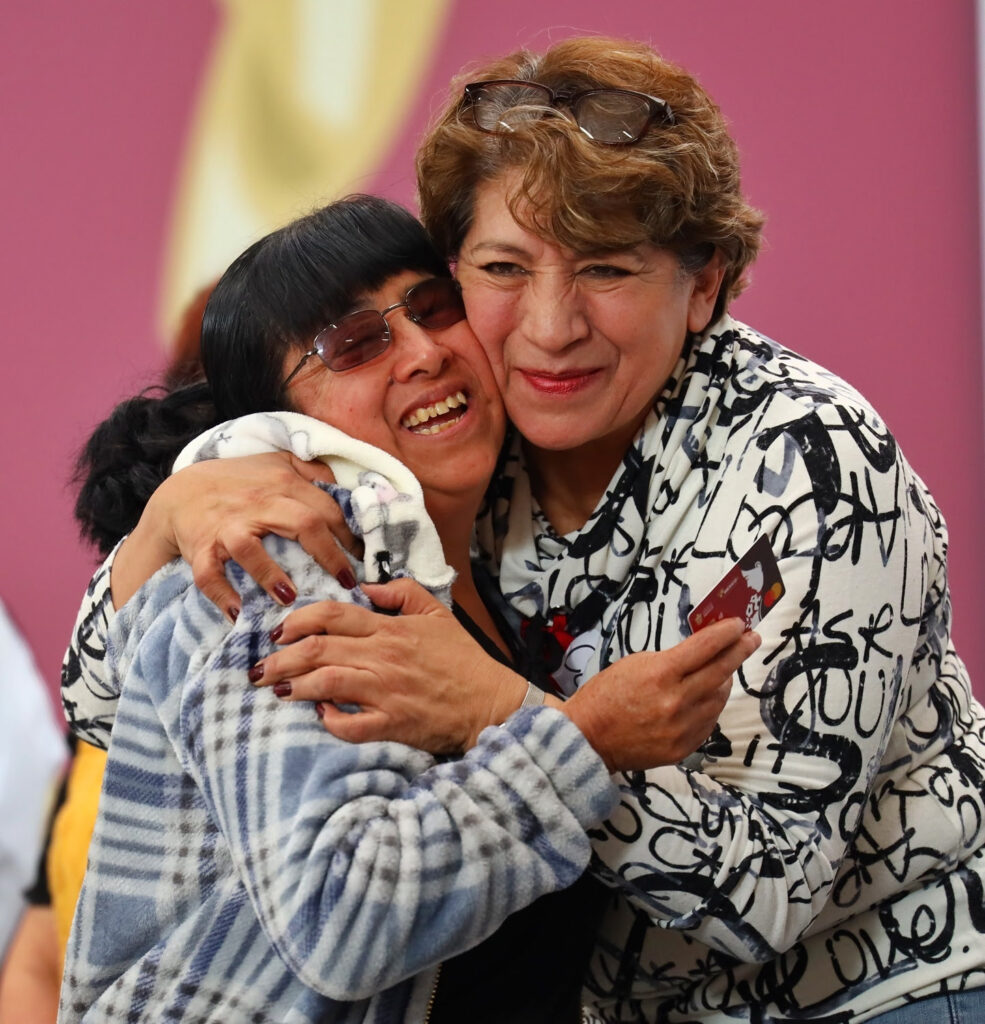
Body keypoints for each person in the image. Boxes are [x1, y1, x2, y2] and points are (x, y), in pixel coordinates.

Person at [63, 36, 985, 1022]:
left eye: (606, 269)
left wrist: (500, 710)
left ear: (703, 284)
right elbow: (112, 703)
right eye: (504, 268)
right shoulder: (455, 453)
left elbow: (766, 893)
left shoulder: (806, 457)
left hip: (879, 991)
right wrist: (164, 527)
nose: (550, 327)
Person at [59, 195, 756, 1023]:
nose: (424, 352)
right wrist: (584, 740)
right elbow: (338, 918)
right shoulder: (278, 565)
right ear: (281, 420)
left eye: (434, 307)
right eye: (353, 344)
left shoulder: (500, 559)